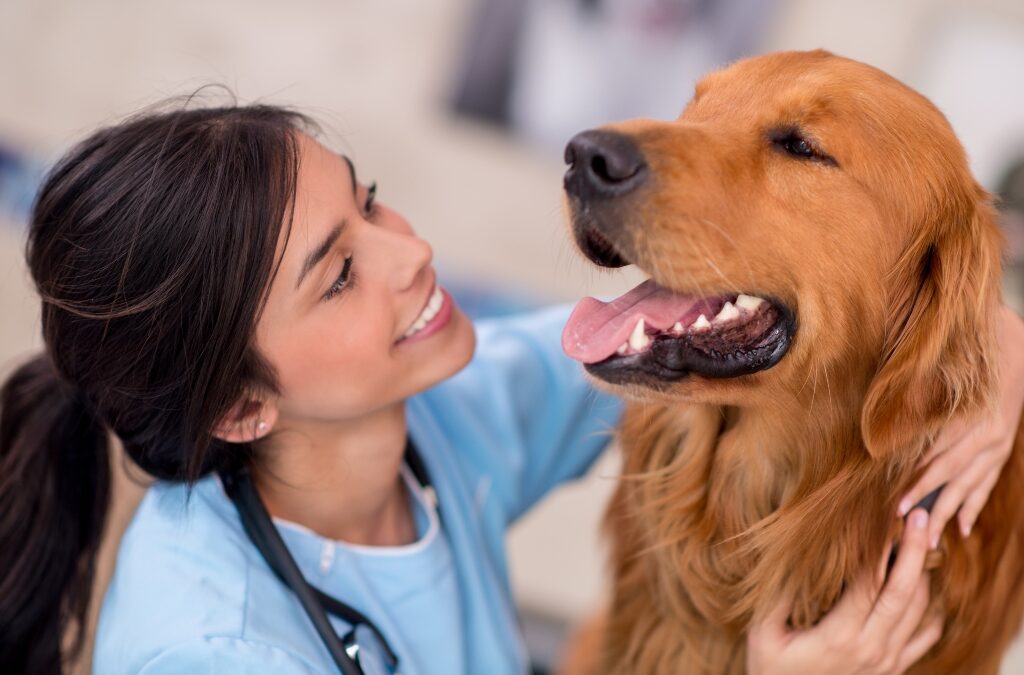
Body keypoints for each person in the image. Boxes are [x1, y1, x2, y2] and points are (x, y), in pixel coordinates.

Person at [0, 104, 1020, 675]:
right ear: (241, 408)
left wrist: (989, 343)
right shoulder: (207, 650)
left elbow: (701, 341)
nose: (410, 254)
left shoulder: (442, 416)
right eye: (341, 274)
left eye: (370, 205)